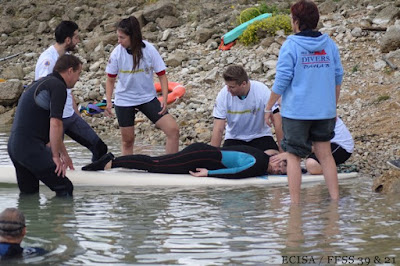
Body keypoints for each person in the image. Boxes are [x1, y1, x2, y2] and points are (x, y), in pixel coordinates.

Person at [264, 0, 344, 204]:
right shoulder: (328, 44)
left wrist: (268, 106)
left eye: (292, 19)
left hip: (296, 112)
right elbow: (337, 77)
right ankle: (335, 202)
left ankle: (295, 206)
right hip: (324, 111)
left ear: (297, 21)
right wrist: (332, 106)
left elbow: (282, 79)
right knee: (325, 155)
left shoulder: (291, 45)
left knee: (293, 157)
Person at [8, 54, 83, 197]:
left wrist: (64, 155)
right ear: (70, 71)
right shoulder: (58, 87)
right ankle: (65, 219)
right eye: (79, 73)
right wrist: (55, 156)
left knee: (30, 195)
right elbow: (56, 123)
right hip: (29, 149)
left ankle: (29, 219)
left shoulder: (42, 82)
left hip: (14, 147)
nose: (78, 78)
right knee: (65, 188)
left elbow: (51, 127)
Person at [105, 16, 179, 156]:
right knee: (128, 141)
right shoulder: (116, 53)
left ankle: (171, 167)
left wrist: (163, 98)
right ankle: (127, 174)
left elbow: (162, 75)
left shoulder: (149, 50)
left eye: (122, 38)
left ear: (133, 36)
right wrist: (109, 101)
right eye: (118, 37)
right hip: (124, 100)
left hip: (147, 98)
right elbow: (110, 79)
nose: (119, 41)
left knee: (173, 130)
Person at [35, 20, 108, 162]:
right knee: (52, 159)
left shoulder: (65, 58)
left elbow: (67, 91)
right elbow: (44, 97)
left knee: (100, 148)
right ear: (68, 40)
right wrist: (61, 149)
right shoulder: (48, 60)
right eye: (76, 37)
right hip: (54, 119)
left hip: (70, 116)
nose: (78, 41)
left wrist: (77, 114)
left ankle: (94, 180)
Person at [82, 143, 288, 178]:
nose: (277, 172)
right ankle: (110, 163)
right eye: (280, 168)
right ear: (277, 159)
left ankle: (112, 161)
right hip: (201, 157)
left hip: (203, 153)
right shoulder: (260, 164)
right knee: (155, 165)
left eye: (281, 174)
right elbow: (235, 174)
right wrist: (209, 174)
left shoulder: (262, 155)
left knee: (157, 162)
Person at [211, 65, 283, 152]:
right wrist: (213, 156)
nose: (228, 89)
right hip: (234, 138)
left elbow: (277, 120)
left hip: (260, 136)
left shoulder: (262, 90)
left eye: (232, 87)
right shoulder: (223, 95)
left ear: (243, 84)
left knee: (273, 159)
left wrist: (282, 151)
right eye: (227, 86)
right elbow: (218, 128)